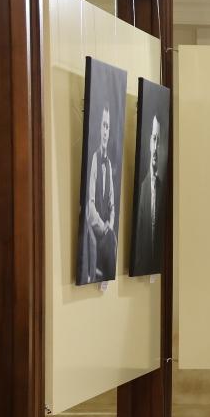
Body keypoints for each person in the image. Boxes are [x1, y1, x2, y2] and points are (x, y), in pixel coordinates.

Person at [80, 105, 118, 284]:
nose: (105, 131)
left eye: (107, 127)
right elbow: (90, 205)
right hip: (95, 231)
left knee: (112, 239)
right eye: (103, 125)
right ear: (98, 127)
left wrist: (111, 223)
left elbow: (112, 204)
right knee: (107, 241)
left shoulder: (108, 165)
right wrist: (103, 226)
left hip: (106, 232)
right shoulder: (94, 159)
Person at [132, 114, 162, 275]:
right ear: (150, 142)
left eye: (159, 141)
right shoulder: (142, 189)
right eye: (154, 139)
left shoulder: (162, 189)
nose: (156, 147)